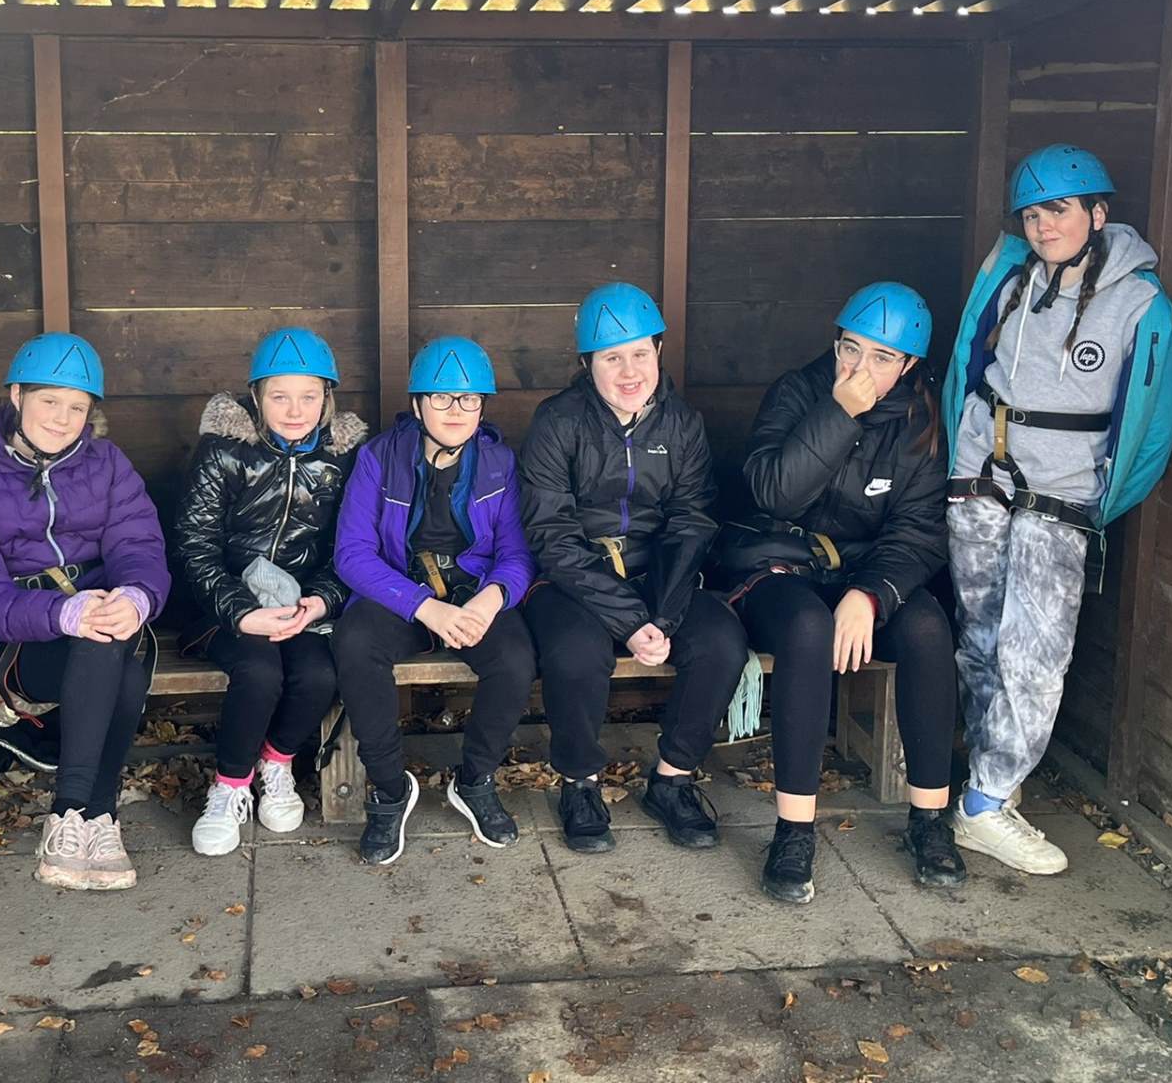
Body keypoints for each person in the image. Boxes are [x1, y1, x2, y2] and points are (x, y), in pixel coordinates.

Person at [943, 145, 1172, 874]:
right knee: (981, 634)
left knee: (1037, 649)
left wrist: (1104, 500)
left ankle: (984, 802)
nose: (1044, 226)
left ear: (1097, 214)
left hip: (1064, 490)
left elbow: (1155, 421)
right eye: (1032, 214)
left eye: (1059, 210)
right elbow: (967, 360)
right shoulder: (1011, 275)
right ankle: (990, 777)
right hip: (981, 474)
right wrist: (961, 456)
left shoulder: (1140, 303)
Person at [717, 282, 964, 904]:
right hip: (779, 563)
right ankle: (794, 830)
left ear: (909, 365)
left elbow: (918, 532)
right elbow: (775, 494)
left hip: (866, 570)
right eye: (850, 349)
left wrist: (871, 594)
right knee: (807, 629)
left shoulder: (921, 419)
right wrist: (838, 414)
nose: (859, 368)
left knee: (928, 627)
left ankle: (929, 820)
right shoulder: (798, 392)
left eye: (882, 357)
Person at [519, 282, 743, 855]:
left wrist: (661, 617)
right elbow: (551, 534)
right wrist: (628, 619)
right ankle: (579, 782)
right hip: (573, 578)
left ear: (659, 350)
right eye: (611, 358)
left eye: (640, 353)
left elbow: (691, 521)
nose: (629, 372)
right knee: (575, 653)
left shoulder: (681, 422)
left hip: (658, 574)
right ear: (586, 363)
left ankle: (672, 779)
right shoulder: (557, 421)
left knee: (720, 642)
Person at [0, 333, 172, 890]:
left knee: (110, 645)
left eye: (77, 406)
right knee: (115, 664)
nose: (62, 418)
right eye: (49, 401)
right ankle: (87, 809)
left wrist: (137, 597)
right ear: (17, 396)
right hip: (21, 640)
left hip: (105, 624)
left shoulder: (108, 464)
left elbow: (139, 547)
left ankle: (82, 818)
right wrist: (61, 614)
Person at [332, 336, 538, 865]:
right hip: (402, 592)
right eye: (441, 397)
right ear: (418, 403)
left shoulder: (499, 462)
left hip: (471, 594)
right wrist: (425, 607)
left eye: (469, 398)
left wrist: (490, 600)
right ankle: (389, 788)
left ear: (482, 406)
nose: (456, 410)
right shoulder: (379, 457)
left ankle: (475, 780)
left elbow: (517, 554)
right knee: (355, 643)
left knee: (515, 658)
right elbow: (352, 554)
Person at [176, 327, 367, 856]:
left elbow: (351, 546)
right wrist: (240, 613)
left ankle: (276, 762)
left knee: (319, 674)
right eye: (280, 396)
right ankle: (230, 785)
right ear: (257, 396)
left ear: (327, 397)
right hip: (222, 607)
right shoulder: (224, 451)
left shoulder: (342, 457)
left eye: (309, 396)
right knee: (260, 671)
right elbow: (194, 545)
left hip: (299, 604)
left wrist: (321, 600)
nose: (295, 410)